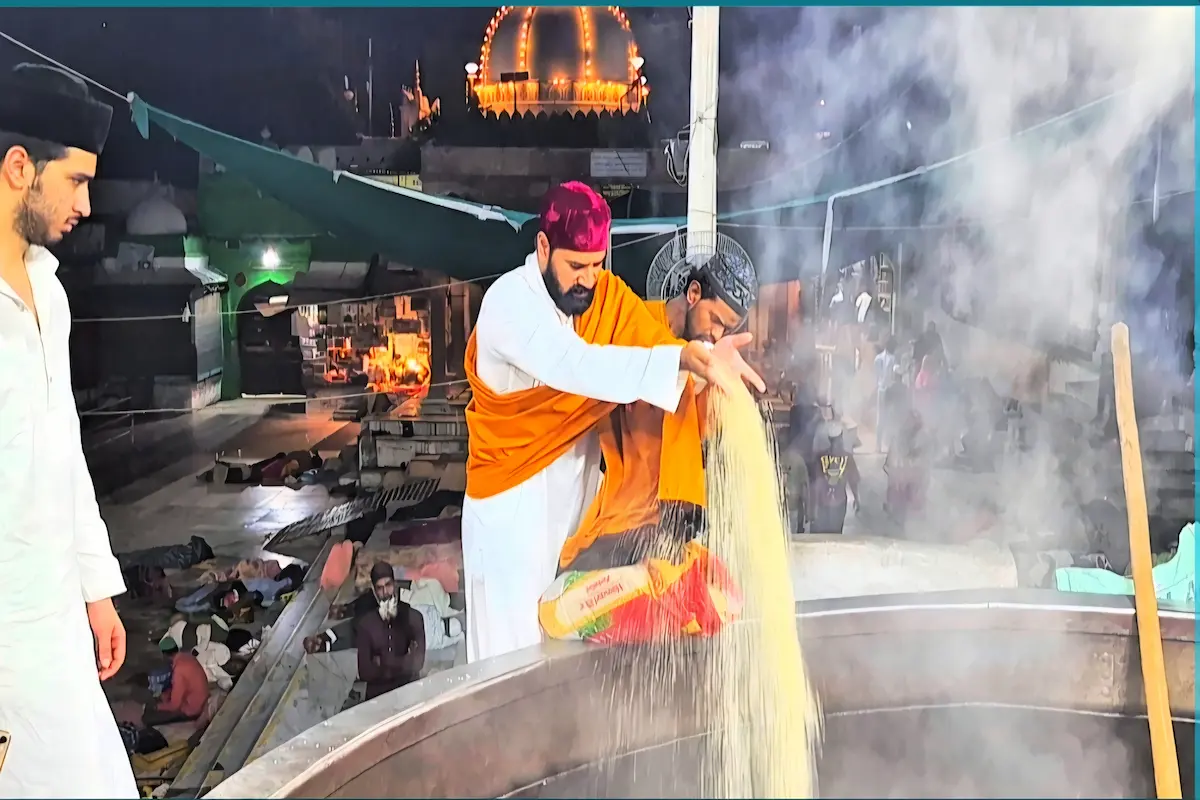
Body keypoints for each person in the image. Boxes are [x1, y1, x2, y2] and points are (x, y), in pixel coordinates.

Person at [462, 181, 761, 663]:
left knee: (558, 644)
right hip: (510, 510)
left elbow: (652, 341)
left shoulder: (604, 299)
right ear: (543, 247)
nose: (587, 280)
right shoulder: (508, 305)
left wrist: (704, 360)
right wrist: (683, 358)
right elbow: (576, 365)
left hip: (573, 501)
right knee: (509, 656)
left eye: (597, 266)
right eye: (575, 266)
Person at [0, 64, 137, 797]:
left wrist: (95, 588)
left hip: (54, 613)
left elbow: (64, 451)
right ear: (20, 167)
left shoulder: (47, 291)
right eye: (76, 181)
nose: (88, 202)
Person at [557, 252, 760, 572]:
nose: (717, 334)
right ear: (693, 293)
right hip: (620, 514)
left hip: (670, 522)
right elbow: (629, 369)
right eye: (716, 321)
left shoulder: (707, 362)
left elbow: (701, 436)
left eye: (727, 329)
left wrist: (713, 385)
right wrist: (689, 366)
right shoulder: (635, 323)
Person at [356, 562, 426, 700]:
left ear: (395, 585)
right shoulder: (366, 624)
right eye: (380, 588)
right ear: (374, 591)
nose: (385, 593)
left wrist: (383, 663)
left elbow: (418, 663)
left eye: (388, 585)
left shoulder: (413, 617)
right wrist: (404, 661)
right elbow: (364, 672)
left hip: (407, 692)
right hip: (378, 698)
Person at [807, 420, 861, 534]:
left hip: (824, 502)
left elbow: (815, 483)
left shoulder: (820, 457)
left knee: (822, 533)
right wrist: (857, 499)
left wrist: (813, 507)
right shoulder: (848, 457)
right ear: (840, 438)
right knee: (836, 534)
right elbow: (853, 481)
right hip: (839, 502)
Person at [142, 644, 211, 727]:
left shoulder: (179, 671)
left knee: (147, 718)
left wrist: (157, 706)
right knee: (162, 698)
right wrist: (166, 695)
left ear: (165, 655)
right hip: (202, 698)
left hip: (194, 709)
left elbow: (174, 705)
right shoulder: (187, 657)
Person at [873, 337, 898, 452]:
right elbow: (896, 372)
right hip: (889, 390)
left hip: (882, 390)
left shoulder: (878, 359)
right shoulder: (894, 359)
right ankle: (885, 444)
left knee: (882, 418)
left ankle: (879, 445)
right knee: (889, 417)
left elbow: (876, 376)